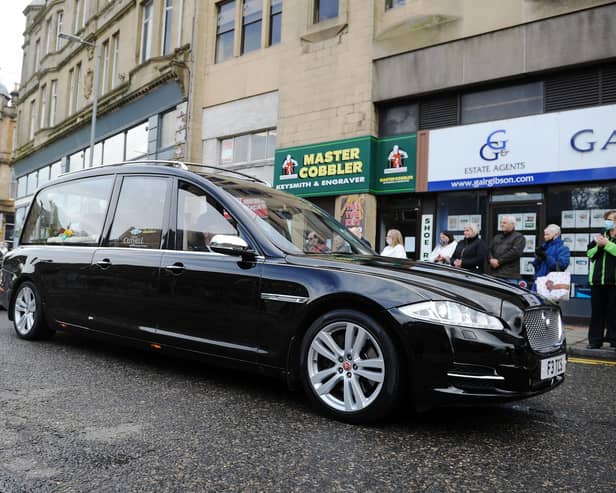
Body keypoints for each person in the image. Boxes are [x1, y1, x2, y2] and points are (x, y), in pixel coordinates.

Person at [586, 209, 616, 350]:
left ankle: (614, 340)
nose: (609, 222)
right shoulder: (600, 236)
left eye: (612, 219)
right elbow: (590, 254)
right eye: (608, 219)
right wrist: (599, 245)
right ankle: (595, 341)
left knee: (613, 312)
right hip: (597, 281)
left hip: (613, 282)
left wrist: (608, 245)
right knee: (597, 313)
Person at [488, 215, 525, 281]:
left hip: (509, 275)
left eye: (504, 223)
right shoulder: (497, 237)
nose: (502, 225)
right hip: (495, 274)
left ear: (512, 224)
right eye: (501, 223)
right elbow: (489, 250)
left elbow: (515, 252)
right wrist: (491, 259)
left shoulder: (519, 237)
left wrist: (499, 261)